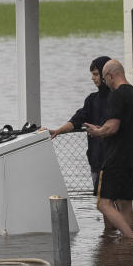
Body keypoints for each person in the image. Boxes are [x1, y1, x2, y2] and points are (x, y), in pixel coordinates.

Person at [84, 59, 133, 239]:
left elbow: (112, 127)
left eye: (105, 79)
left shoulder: (117, 95)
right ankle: (127, 251)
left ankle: (131, 240)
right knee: (125, 203)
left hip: (116, 158)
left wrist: (97, 132)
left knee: (104, 204)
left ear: (110, 76)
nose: (105, 83)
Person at [47, 55, 112, 194]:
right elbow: (77, 120)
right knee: (101, 203)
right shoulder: (91, 100)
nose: (92, 78)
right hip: (95, 160)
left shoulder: (117, 98)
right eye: (92, 74)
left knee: (109, 203)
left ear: (105, 74)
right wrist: (58, 131)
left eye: (95, 74)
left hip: (113, 160)